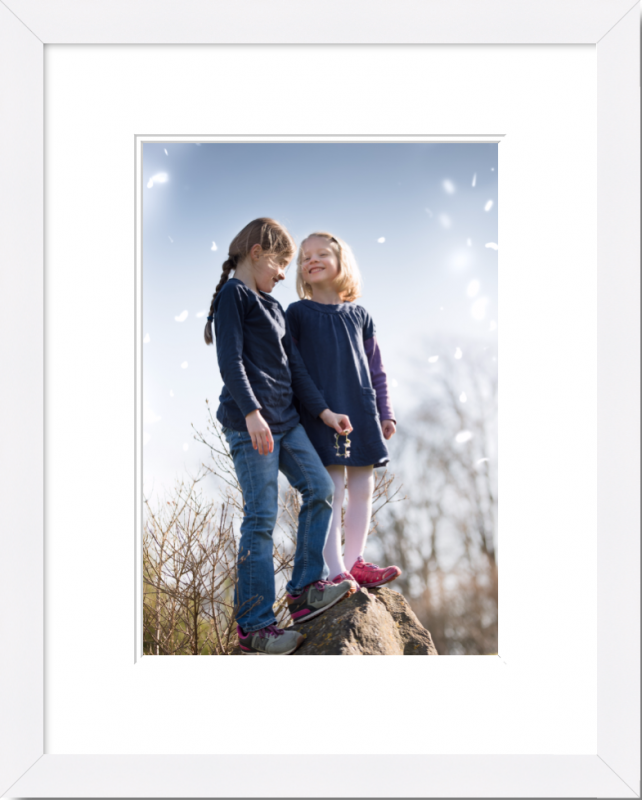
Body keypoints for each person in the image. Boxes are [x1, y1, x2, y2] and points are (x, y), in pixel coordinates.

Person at [204, 218, 357, 656]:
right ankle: (254, 625)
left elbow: (296, 370)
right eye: (281, 262)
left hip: (286, 421)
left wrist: (325, 412)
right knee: (262, 517)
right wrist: (252, 415)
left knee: (320, 488)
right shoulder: (235, 295)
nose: (283, 273)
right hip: (250, 423)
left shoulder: (274, 307)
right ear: (256, 254)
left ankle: (305, 590)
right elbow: (230, 361)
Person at [285, 231, 402, 591]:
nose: (312, 260)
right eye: (305, 257)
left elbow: (376, 368)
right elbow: (295, 368)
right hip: (323, 411)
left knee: (363, 489)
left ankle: (356, 562)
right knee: (333, 489)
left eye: (322, 254)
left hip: (360, 410)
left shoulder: (360, 315)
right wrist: (319, 410)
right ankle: (336, 568)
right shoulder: (298, 313)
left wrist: (386, 411)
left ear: (341, 263)